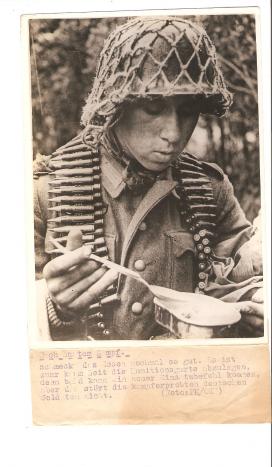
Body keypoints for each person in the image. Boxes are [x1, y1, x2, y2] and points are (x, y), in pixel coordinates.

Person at [32, 17, 263, 341]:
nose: (173, 133)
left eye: (186, 111)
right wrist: (53, 308)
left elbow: (240, 278)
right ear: (115, 106)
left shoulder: (210, 191)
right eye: (153, 107)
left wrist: (252, 305)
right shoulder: (46, 192)